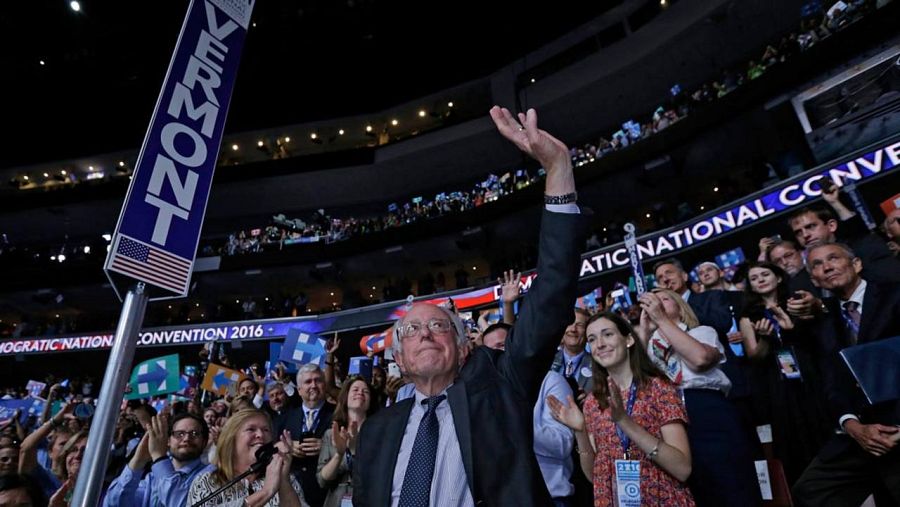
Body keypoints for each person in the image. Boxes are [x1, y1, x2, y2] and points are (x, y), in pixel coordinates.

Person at [352, 106, 588, 506]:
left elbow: (550, 297)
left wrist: (558, 168)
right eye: (411, 330)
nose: (425, 333)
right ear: (400, 360)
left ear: (464, 349)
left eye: (439, 326)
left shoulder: (500, 391)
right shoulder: (376, 431)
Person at [792, 242, 900, 507]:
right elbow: (832, 385)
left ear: (857, 264)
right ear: (814, 279)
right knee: (811, 488)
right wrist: (852, 426)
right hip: (863, 430)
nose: (827, 267)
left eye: (833, 258)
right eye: (817, 264)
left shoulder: (894, 296)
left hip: (895, 422)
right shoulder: (824, 321)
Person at [548, 312, 694, 506]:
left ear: (628, 340)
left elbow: (682, 469)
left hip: (661, 498)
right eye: (592, 339)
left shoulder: (659, 388)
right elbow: (595, 477)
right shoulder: (593, 402)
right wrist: (580, 431)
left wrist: (624, 421)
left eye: (607, 334)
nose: (599, 344)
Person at [636, 289, 761, 507]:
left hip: (705, 408)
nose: (657, 303)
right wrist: (644, 331)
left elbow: (700, 359)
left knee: (730, 481)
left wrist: (662, 320)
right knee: (693, 487)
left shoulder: (701, 332)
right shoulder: (648, 345)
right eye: (653, 302)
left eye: (664, 299)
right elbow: (634, 380)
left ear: (681, 307)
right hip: (667, 417)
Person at [735, 262, 831, 482]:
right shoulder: (748, 317)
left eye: (765, 274)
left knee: (820, 425)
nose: (760, 279)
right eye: (754, 278)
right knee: (791, 436)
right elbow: (754, 356)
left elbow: (816, 340)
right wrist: (766, 338)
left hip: (809, 373)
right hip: (775, 383)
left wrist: (790, 330)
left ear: (778, 278)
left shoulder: (797, 303)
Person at [186, 410, 306, 507]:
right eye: (251, 429)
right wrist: (265, 492)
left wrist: (283, 480)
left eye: (266, 430)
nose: (260, 435)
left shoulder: (286, 478)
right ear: (231, 439)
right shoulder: (207, 481)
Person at [104, 413, 213, 507]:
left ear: (204, 442)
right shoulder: (153, 478)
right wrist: (137, 462)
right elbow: (115, 503)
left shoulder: (213, 475)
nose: (186, 439)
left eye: (194, 434)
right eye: (179, 434)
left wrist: (159, 457)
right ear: (168, 441)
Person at [316, 377, 375, 507]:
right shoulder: (331, 434)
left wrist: (354, 450)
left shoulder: (378, 434)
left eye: (365, 391)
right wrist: (339, 454)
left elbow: (379, 475)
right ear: (345, 397)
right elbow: (322, 480)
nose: (360, 393)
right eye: (355, 390)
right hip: (335, 501)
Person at [285, 365, 334, 507]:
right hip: (295, 495)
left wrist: (327, 447)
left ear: (324, 385)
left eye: (318, 380)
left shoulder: (339, 414)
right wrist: (287, 447)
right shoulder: (285, 418)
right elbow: (272, 446)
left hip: (327, 494)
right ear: (299, 390)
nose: (313, 385)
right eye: (308, 382)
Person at [550, 309, 593, 401]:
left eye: (580, 325)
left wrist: (591, 401)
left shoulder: (598, 366)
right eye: (569, 323)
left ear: (588, 332)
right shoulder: (546, 361)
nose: (573, 329)